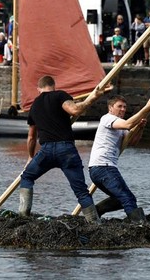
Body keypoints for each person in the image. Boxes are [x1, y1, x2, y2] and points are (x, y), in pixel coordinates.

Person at [18, 75, 103, 224]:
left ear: (39, 89)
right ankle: (95, 224)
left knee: (27, 177)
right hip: (66, 150)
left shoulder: (34, 106)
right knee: (81, 191)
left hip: (46, 150)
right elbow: (75, 110)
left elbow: (31, 137)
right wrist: (93, 98)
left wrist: (30, 157)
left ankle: (23, 216)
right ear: (53, 86)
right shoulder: (59, 95)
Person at [88, 95, 150, 222]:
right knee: (127, 198)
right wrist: (146, 108)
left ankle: (96, 211)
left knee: (121, 199)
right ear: (110, 108)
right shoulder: (107, 118)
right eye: (119, 106)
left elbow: (132, 142)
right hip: (103, 167)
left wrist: (140, 128)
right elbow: (128, 124)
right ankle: (138, 225)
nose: (123, 109)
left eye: (124, 107)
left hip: (101, 169)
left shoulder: (119, 126)